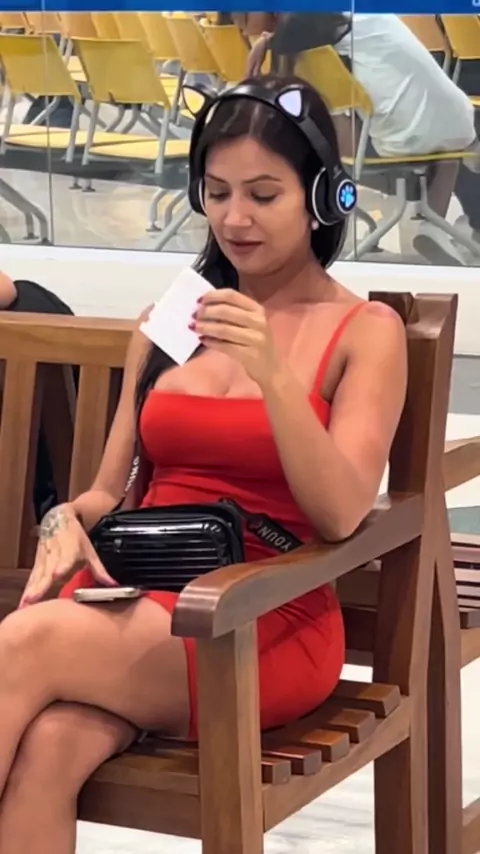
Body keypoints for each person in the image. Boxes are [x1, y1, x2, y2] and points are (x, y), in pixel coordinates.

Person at [0, 75, 407, 853]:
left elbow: (341, 510)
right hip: (136, 593)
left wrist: (273, 375)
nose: (234, 218)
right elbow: (107, 491)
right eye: (217, 193)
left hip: (257, 615)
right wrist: (62, 524)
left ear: (323, 199)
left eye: (263, 194)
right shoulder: (173, 320)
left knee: (22, 644)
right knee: (48, 750)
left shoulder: (365, 329)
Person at [247, 14, 480, 265]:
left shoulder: (308, 34)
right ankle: (432, 223)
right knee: (454, 142)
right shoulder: (350, 17)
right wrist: (270, 40)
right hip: (433, 124)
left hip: (382, 139)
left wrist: (267, 43)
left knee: (449, 141)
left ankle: (433, 223)